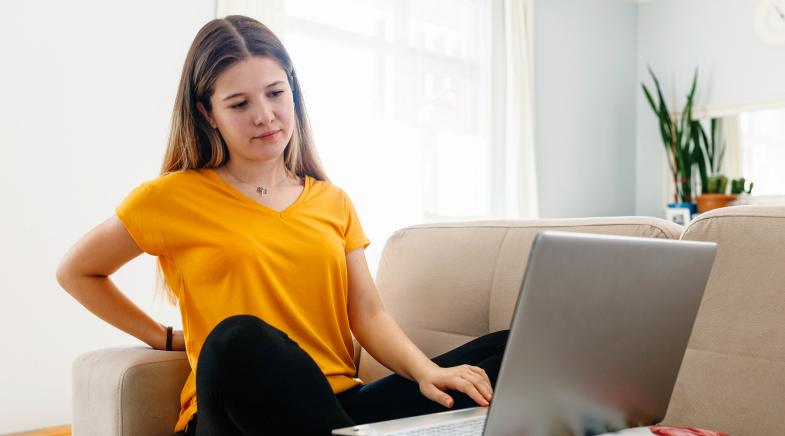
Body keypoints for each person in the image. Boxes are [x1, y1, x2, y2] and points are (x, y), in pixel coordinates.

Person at [56, 15, 509, 435]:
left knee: (513, 348)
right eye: (239, 103)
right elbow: (77, 272)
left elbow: (367, 314)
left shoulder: (332, 200)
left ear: (293, 91)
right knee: (236, 338)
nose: (264, 116)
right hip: (235, 417)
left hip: (337, 408)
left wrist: (428, 371)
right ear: (207, 113)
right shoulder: (169, 197)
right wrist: (160, 336)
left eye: (275, 93)